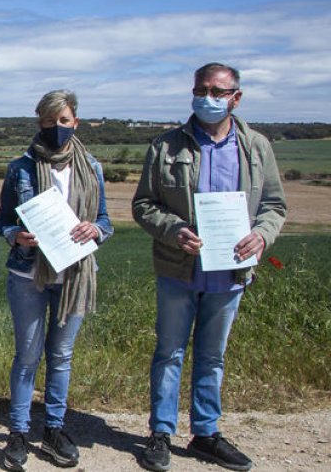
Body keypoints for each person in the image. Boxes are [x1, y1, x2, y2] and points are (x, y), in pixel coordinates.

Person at [132, 63, 286, 472]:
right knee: (169, 352)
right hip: (177, 267)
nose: (208, 98)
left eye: (218, 92)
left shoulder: (256, 147)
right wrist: (174, 230)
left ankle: (205, 433)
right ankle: (161, 434)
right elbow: (143, 205)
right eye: (201, 90)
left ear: (236, 97)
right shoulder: (165, 146)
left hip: (231, 271)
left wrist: (262, 236)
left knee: (212, 357)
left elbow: (274, 205)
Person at [0, 90, 113, 471]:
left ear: (75, 122)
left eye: (63, 121)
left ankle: (55, 430)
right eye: (49, 121)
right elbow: (3, 220)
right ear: (39, 122)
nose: (56, 128)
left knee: (61, 357)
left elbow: (106, 221)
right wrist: (16, 235)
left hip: (74, 274)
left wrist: (95, 229)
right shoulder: (21, 168)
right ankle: (17, 432)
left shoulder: (91, 168)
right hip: (28, 273)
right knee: (27, 356)